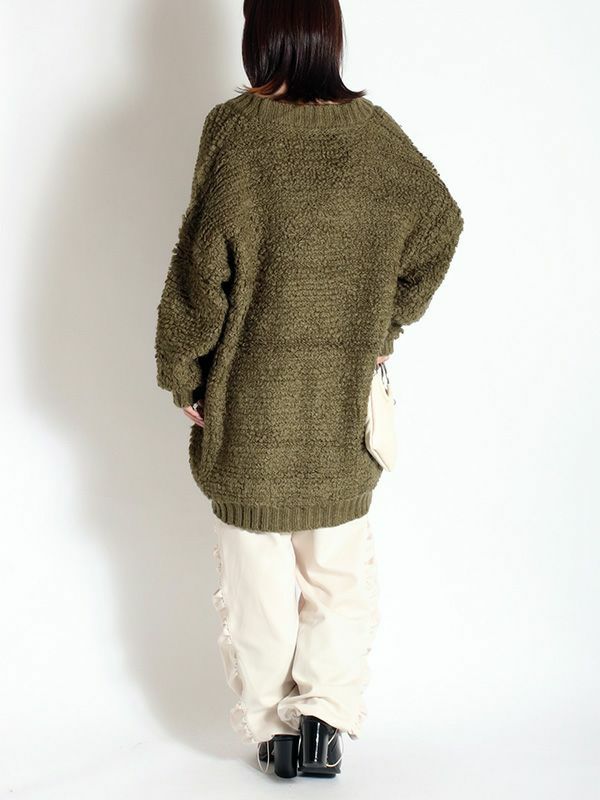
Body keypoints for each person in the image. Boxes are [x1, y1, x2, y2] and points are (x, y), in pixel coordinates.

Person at [154, 0, 464, 780]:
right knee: (336, 573)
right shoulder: (375, 137)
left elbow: (199, 270)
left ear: (259, 35)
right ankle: (324, 717)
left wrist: (182, 369)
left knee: (258, 582)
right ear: (330, 34)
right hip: (338, 405)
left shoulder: (235, 131)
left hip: (250, 406)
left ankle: (272, 730)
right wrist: (381, 326)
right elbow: (441, 225)